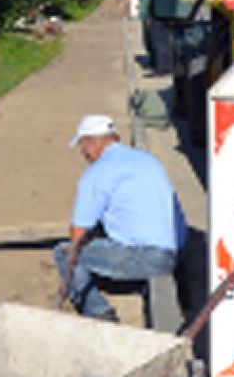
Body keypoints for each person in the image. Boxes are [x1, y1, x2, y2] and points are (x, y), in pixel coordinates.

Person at [55, 114, 187, 321]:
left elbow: (77, 235)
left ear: (91, 143)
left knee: (63, 253)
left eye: (82, 146)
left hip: (148, 258)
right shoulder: (146, 159)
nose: (83, 153)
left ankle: (99, 312)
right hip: (177, 251)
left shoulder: (97, 173)